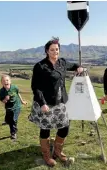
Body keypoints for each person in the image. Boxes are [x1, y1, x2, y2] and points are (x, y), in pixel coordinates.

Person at [28, 37, 83, 167]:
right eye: (52, 50)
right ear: (47, 51)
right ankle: (46, 155)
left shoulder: (62, 62)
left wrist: (78, 68)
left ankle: (57, 151)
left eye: (57, 49)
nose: (55, 52)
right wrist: (42, 103)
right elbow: (35, 87)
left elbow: (73, 65)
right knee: (45, 128)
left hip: (60, 101)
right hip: (45, 102)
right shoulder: (40, 66)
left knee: (65, 127)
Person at [0, 75, 27, 140]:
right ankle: (7, 121)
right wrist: (5, 99)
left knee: (13, 120)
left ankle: (13, 133)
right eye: (3, 81)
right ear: (1, 83)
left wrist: (22, 101)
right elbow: (2, 100)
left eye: (7, 80)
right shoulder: (1, 91)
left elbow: (18, 93)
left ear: (10, 81)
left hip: (17, 106)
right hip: (8, 107)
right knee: (8, 118)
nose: (5, 82)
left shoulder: (14, 87)